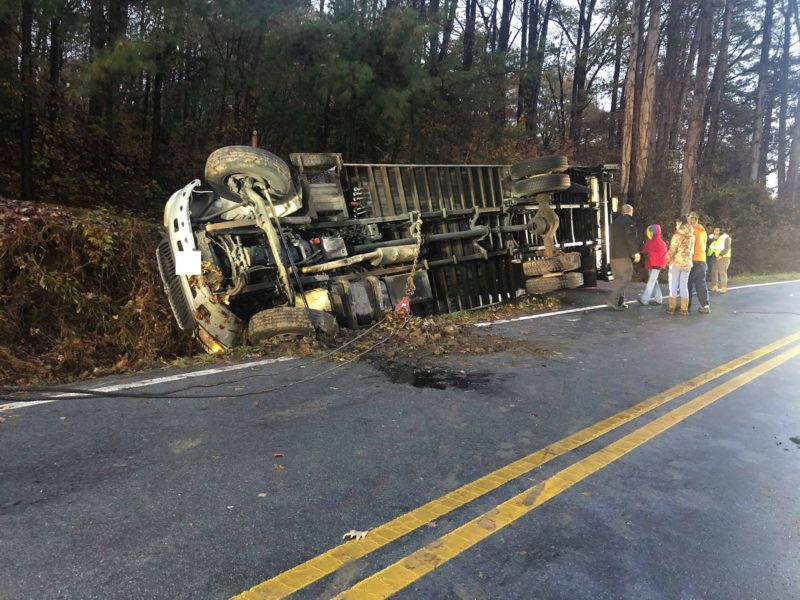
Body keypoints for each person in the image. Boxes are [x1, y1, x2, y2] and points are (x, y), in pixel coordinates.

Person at [606, 204, 640, 311]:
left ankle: (620, 302)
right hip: (623, 255)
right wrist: (635, 252)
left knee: (618, 279)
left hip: (613, 255)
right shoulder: (629, 223)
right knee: (626, 279)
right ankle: (613, 300)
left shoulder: (614, 223)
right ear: (630, 211)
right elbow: (630, 238)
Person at [667, 215, 695, 315]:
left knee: (673, 284)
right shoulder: (692, 236)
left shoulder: (677, 236)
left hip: (676, 263)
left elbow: (672, 250)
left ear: (679, 223)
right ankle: (684, 309)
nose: (676, 225)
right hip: (687, 264)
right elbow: (692, 250)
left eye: (676, 223)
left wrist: (667, 259)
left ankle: (671, 307)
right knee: (684, 285)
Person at [687, 211, 711, 314]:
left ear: (693, 219)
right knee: (701, 284)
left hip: (694, 260)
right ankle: (705, 306)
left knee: (688, 283)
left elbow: (690, 246)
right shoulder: (703, 231)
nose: (688, 221)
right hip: (702, 260)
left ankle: (686, 305)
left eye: (689, 219)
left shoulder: (693, 231)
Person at [638, 224, 667, 306]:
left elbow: (661, 254)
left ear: (655, 232)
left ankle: (644, 299)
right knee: (654, 282)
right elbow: (645, 251)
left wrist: (650, 254)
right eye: (649, 231)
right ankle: (659, 299)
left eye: (651, 231)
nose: (650, 233)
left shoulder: (661, 243)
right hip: (651, 264)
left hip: (657, 265)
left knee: (651, 282)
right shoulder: (649, 241)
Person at [708, 226, 732, 293]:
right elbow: (711, 243)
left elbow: (727, 248)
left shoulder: (726, 237)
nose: (715, 232)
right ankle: (714, 286)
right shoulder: (716, 238)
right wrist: (714, 239)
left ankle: (724, 287)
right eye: (715, 230)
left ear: (721, 231)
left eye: (717, 230)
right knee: (713, 271)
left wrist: (721, 255)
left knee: (722, 272)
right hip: (716, 257)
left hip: (724, 257)